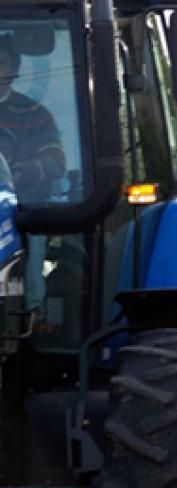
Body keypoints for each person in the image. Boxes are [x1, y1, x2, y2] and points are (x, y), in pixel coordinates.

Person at [0, 34, 66, 314]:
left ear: (15, 69)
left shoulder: (33, 113)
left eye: (0, 63)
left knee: (32, 252)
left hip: (22, 213)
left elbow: (56, 160)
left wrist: (24, 172)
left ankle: (30, 309)